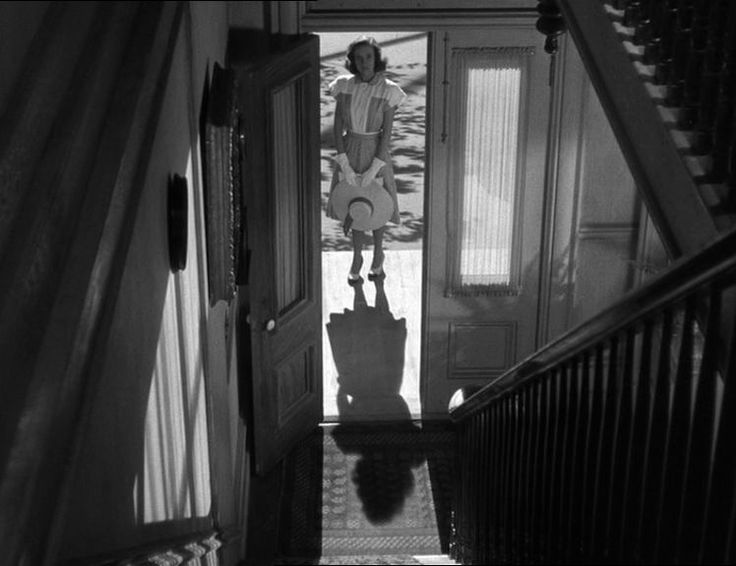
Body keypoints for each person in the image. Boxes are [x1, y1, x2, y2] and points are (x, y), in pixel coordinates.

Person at [327, 36, 406, 284]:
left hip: (376, 152)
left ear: (376, 58)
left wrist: (375, 167)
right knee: (354, 202)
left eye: (368, 57)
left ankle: (379, 253)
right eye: (358, 58)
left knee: (377, 200)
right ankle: (357, 256)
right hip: (350, 148)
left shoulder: (389, 90)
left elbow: (387, 133)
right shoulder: (344, 86)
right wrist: (344, 162)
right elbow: (338, 123)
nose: (364, 63)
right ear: (352, 62)